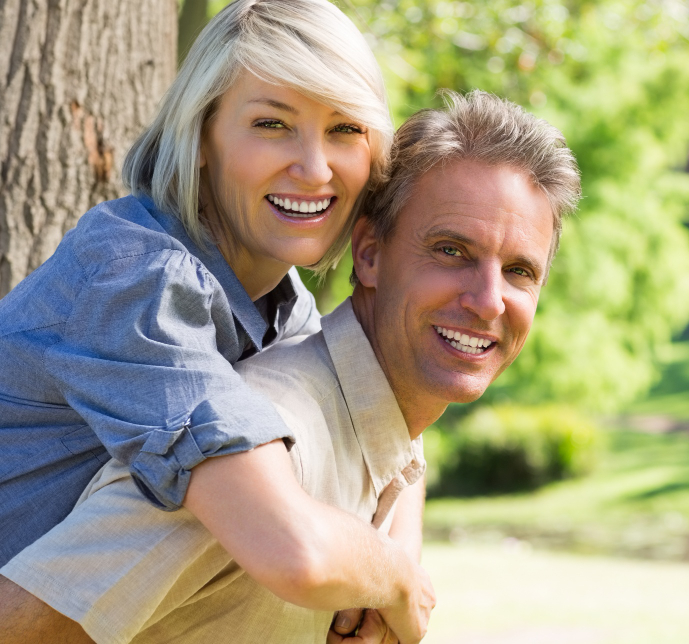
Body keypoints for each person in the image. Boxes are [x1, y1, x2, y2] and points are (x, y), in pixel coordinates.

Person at [0, 91, 582, 644]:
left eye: (520, 272)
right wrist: (393, 575)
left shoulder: (378, 404)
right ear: (370, 254)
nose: (487, 300)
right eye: (451, 251)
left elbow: (406, 458)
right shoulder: (257, 456)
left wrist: (395, 560)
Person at [0, 1, 437, 641]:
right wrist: (396, 579)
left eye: (345, 129)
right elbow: (294, 552)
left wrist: (396, 543)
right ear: (200, 137)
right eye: (272, 124)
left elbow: (388, 428)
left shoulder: (278, 304)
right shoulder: (138, 283)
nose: (314, 169)